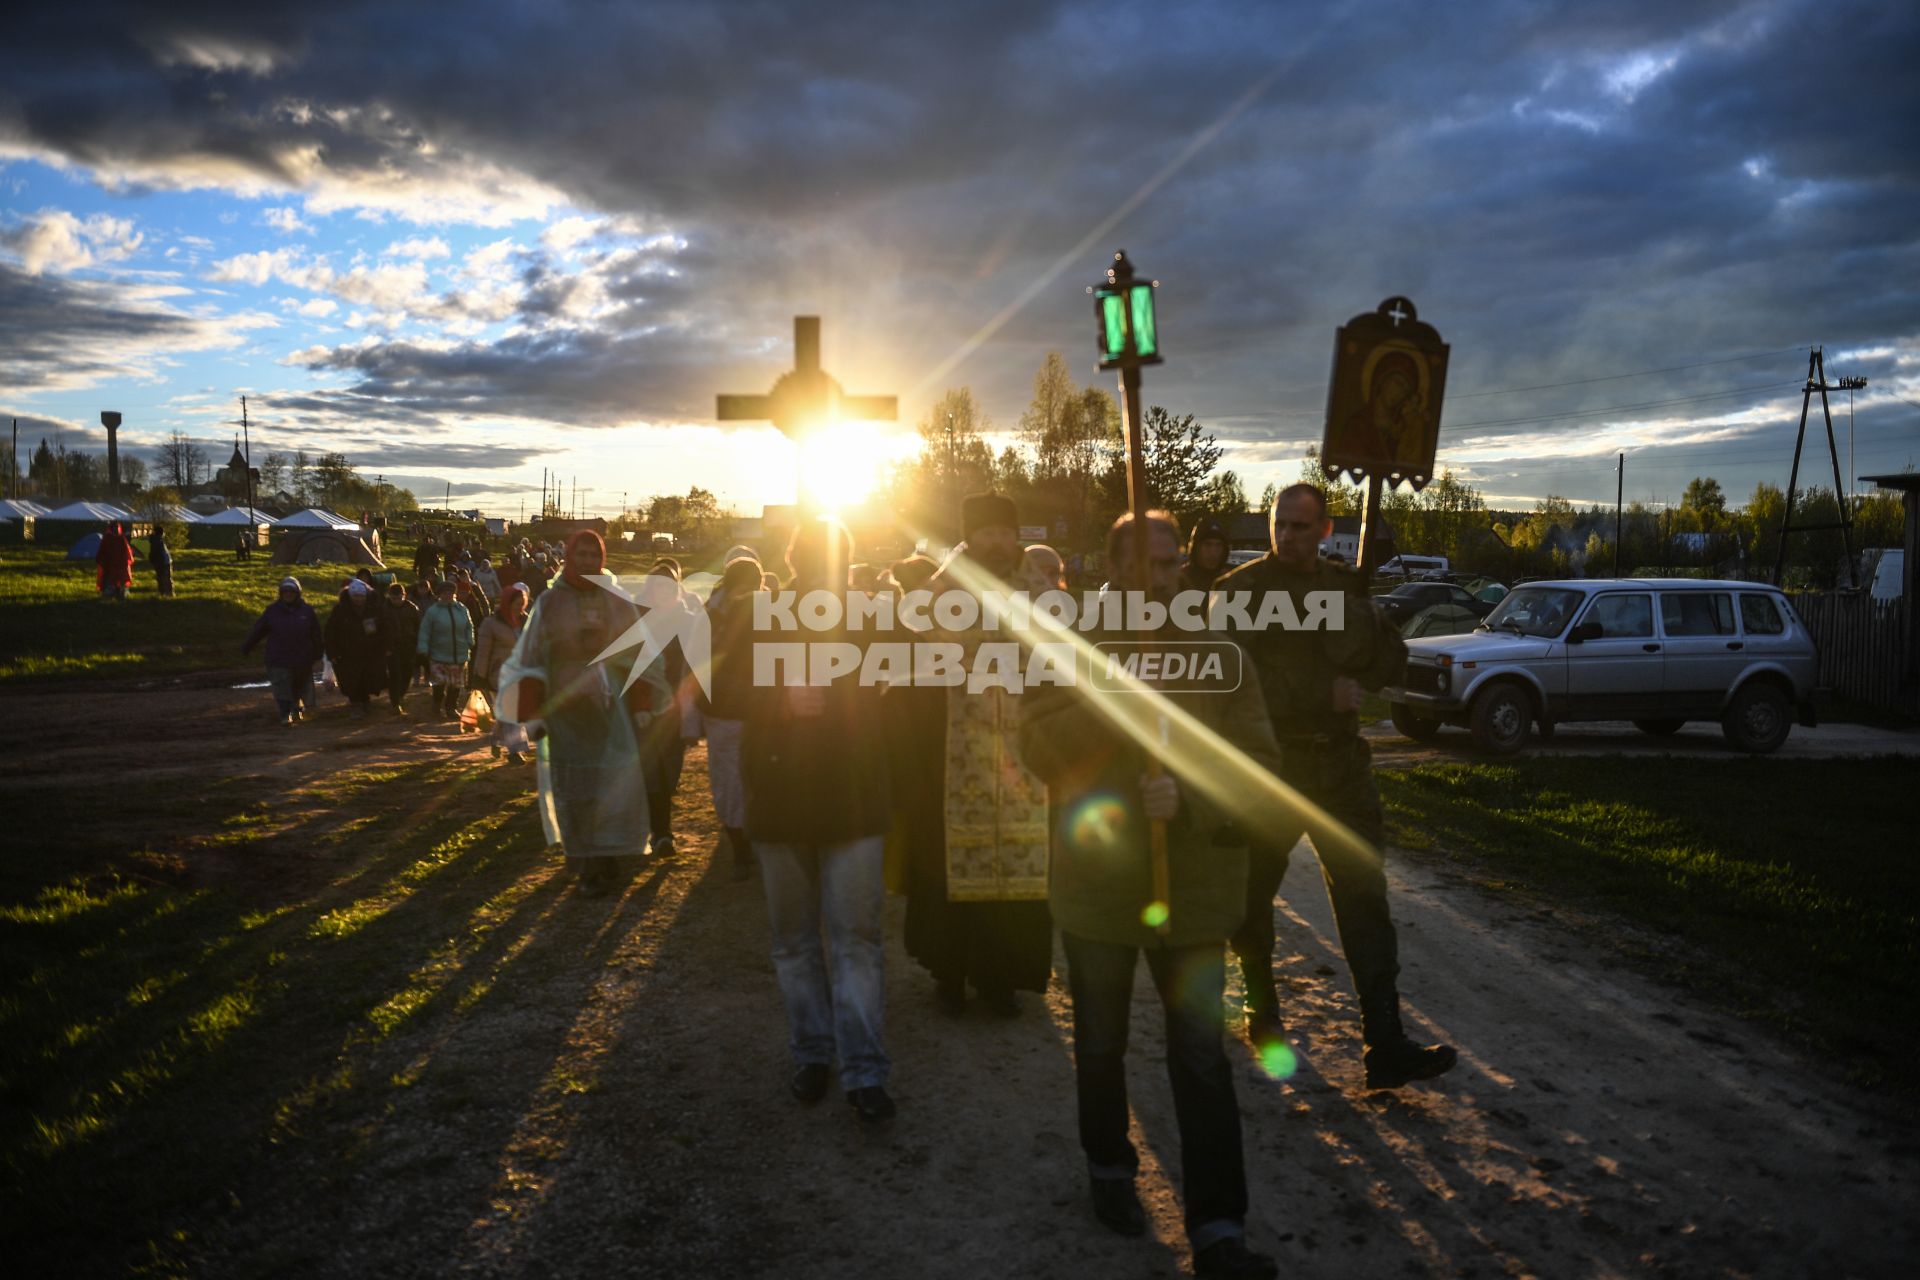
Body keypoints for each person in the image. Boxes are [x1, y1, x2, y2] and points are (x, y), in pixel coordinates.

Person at [1018, 509, 1283, 1279]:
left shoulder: (1224, 657)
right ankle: (1109, 1169)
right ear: (1112, 572)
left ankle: (1218, 1227)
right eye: (1141, 567)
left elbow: (1259, 768)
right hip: (1098, 888)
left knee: (1200, 1057)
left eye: (1168, 566)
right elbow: (1033, 743)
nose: (1157, 580)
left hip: (1193, 894)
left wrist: (1194, 803)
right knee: (1100, 1042)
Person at [1215, 483, 1456, 1089]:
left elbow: (1388, 666)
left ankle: (1384, 1042)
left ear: (1325, 530)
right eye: (1280, 524)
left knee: (1364, 901)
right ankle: (1261, 1011)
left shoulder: (1342, 586)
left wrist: (1363, 618)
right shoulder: (1237, 594)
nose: (1288, 535)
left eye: (1301, 526)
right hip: (1271, 768)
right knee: (1249, 899)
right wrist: (1314, 696)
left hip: (1342, 770)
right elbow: (1223, 684)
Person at [743, 515, 895, 1122]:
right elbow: (722, 691)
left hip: (854, 800)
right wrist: (778, 699)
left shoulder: (873, 621)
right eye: (812, 564)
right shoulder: (762, 619)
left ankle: (863, 1070)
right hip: (781, 802)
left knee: (856, 940)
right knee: (796, 943)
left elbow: (907, 690)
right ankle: (812, 1053)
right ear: (795, 565)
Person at [900, 493, 1053, 1016]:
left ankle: (1001, 978)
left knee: (1016, 866)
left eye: (1005, 532)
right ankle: (950, 971)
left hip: (1023, 756)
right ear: (971, 538)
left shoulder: (1039, 590)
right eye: (986, 532)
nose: (997, 541)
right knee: (950, 864)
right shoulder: (943, 587)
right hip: (952, 751)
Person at [497, 530, 666, 893]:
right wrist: (533, 712)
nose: (588, 561)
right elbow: (532, 661)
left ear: (601, 559)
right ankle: (586, 863)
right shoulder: (550, 603)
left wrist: (641, 705)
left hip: (611, 709)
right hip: (566, 711)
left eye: (594, 555)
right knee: (576, 789)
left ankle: (610, 858)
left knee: (612, 784)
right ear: (570, 558)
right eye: (581, 555)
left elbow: (639, 656)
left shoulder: (618, 602)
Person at [700, 554, 765, 879]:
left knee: (745, 777)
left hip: (751, 709)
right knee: (732, 778)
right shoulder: (711, 615)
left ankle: (749, 841)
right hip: (727, 709)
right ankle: (741, 845)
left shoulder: (765, 611)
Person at [637, 561, 697, 858]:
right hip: (645, 708)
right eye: (656, 585)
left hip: (674, 707)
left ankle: (658, 825)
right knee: (652, 772)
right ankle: (661, 833)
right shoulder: (638, 620)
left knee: (670, 772)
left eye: (667, 585)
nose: (662, 591)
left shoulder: (687, 620)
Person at [243, 577, 323, 725]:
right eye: (285, 591)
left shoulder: (307, 611)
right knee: (282, 687)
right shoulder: (272, 611)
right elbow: (259, 630)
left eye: (291, 591)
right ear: (280, 593)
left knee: (298, 687)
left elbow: (316, 633)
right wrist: (248, 646)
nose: (288, 594)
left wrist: (318, 651)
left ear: (297, 593)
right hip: (279, 658)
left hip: (302, 658)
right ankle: (285, 714)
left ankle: (297, 710)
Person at [473, 583, 530, 763]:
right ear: (507, 602)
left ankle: (496, 740)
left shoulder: (525, 620)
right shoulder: (491, 623)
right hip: (498, 675)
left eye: (522, 603)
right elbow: (483, 652)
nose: (519, 607)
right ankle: (515, 751)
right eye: (516, 603)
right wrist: (479, 677)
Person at [324, 579, 388, 720]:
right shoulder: (340, 610)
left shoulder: (374, 609)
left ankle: (365, 701)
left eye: (361, 596)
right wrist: (332, 652)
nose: (359, 599)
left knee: (368, 678)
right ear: (350, 596)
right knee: (351, 680)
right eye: (356, 596)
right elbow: (331, 632)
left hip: (370, 651)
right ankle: (355, 704)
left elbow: (384, 629)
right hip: (347, 653)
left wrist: (384, 646)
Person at [417, 579, 475, 724]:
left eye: (450, 592)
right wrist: (423, 647)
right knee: (439, 683)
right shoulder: (433, 611)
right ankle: (436, 706)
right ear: (439, 594)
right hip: (439, 654)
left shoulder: (462, 609)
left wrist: (470, 640)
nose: (448, 595)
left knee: (456, 684)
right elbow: (425, 630)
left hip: (459, 653)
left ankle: (451, 708)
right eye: (444, 592)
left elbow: (469, 626)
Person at [383, 582, 422, 716]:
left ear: (404, 596)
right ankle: (395, 702)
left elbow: (419, 627)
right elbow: (379, 630)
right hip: (391, 647)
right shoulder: (384, 609)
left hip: (409, 646)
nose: (397, 601)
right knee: (394, 675)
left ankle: (400, 697)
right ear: (389, 597)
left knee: (407, 674)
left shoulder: (412, 609)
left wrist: (417, 644)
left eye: (399, 597)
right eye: (394, 598)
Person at [1181, 516, 1232, 593]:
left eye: (1218, 545)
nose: (1213, 553)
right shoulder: (1178, 580)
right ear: (1196, 548)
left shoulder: (1232, 581)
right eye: (1207, 545)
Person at [95, 522, 135, 601]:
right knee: (110, 580)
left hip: (121, 565)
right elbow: (103, 551)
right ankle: (110, 595)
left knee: (121, 581)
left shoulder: (121, 538)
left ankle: (120, 595)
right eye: (115, 527)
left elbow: (127, 552)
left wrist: (126, 561)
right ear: (111, 528)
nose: (116, 529)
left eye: (117, 527)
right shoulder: (107, 538)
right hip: (110, 565)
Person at [148, 528, 175, 599]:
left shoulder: (155, 540)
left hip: (160, 562)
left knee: (160, 578)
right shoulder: (158, 541)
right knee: (166, 578)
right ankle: (168, 594)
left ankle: (163, 593)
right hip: (163, 562)